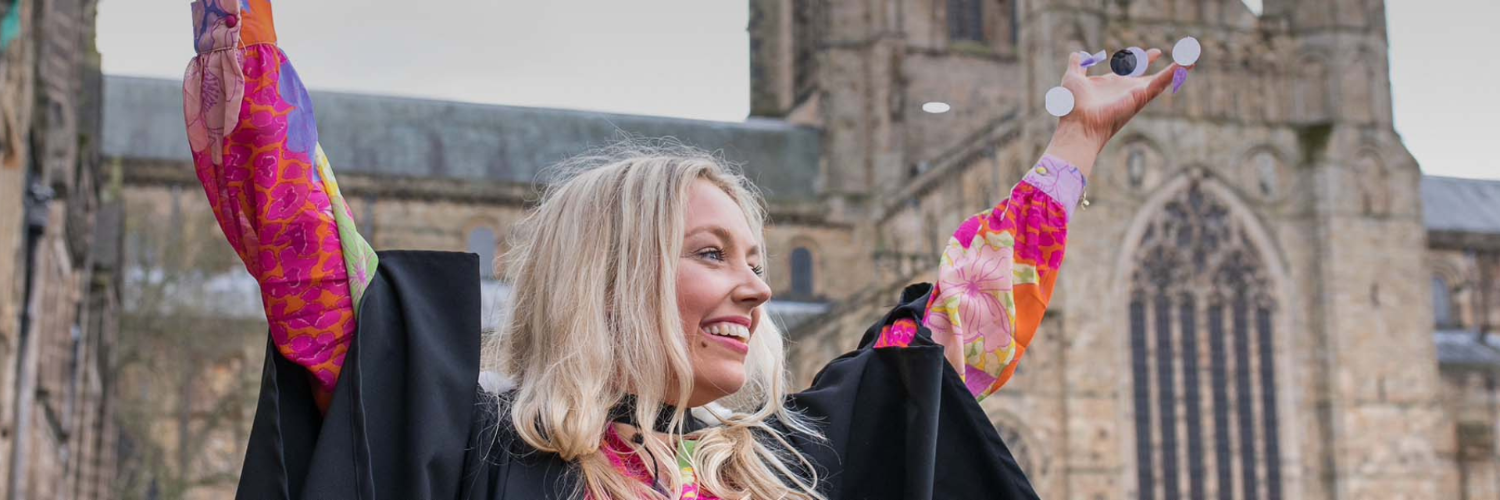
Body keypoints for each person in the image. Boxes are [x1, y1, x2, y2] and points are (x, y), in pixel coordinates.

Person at [180, 1, 1189, 499]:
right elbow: (306, 246)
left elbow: (960, 329)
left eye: (758, 254)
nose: (756, 285)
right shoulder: (484, 460)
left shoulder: (787, 463)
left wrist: (1076, 141)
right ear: (611, 273)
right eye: (712, 251)